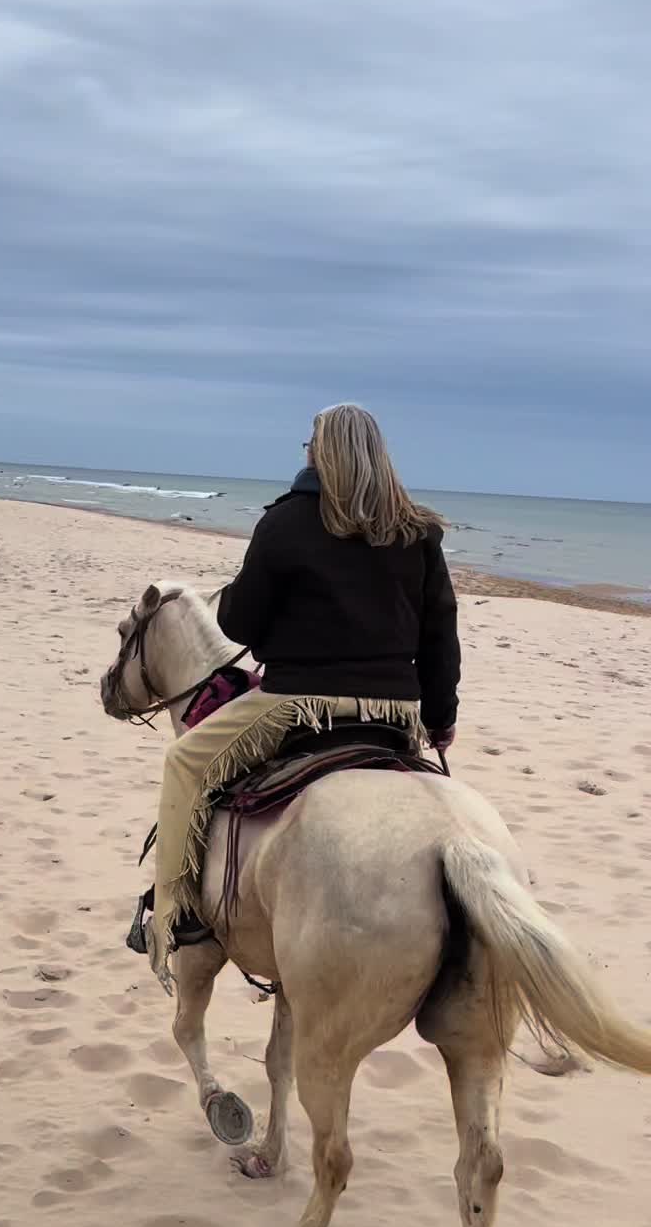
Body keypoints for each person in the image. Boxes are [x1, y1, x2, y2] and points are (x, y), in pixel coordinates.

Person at [145, 402, 460, 988]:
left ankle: (175, 918)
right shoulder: (418, 530)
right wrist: (440, 722)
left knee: (184, 761)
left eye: (309, 444)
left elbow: (238, 625)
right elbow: (441, 634)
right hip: (395, 711)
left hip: (296, 704)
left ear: (321, 452)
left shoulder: (287, 521)